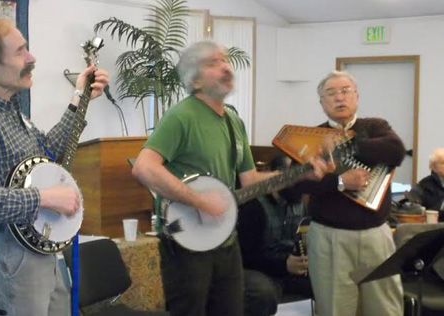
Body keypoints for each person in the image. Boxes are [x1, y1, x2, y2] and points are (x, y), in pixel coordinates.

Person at [131, 40, 329, 316]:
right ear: (195, 79)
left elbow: (249, 181)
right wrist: (199, 201)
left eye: (225, 60)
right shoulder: (181, 116)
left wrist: (299, 173)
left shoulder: (234, 122)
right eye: (214, 63)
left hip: (225, 241)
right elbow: (144, 168)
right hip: (186, 240)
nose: (225, 67)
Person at [0, 19, 109, 316]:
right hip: (9, 258)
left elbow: (50, 153)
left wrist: (80, 98)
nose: (32, 58)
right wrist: (45, 198)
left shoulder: (7, 109)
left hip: (35, 255)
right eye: (21, 52)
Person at [292, 70, 405, 316]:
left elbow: (396, 151)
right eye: (330, 93)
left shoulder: (375, 127)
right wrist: (339, 181)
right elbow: (297, 185)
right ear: (322, 103)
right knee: (335, 309)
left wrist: (345, 145)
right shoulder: (311, 138)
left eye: (345, 91)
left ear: (357, 98)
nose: (339, 98)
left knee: (385, 308)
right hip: (330, 238)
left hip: (376, 236)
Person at [238, 154, 312, 316]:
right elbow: (247, 258)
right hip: (259, 270)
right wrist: (284, 264)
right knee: (263, 292)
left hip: (290, 270)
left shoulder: (300, 203)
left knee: (326, 283)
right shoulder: (253, 206)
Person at [407, 148, 444, 220]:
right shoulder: (423, 186)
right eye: (443, 163)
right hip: (432, 227)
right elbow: (411, 210)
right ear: (433, 166)